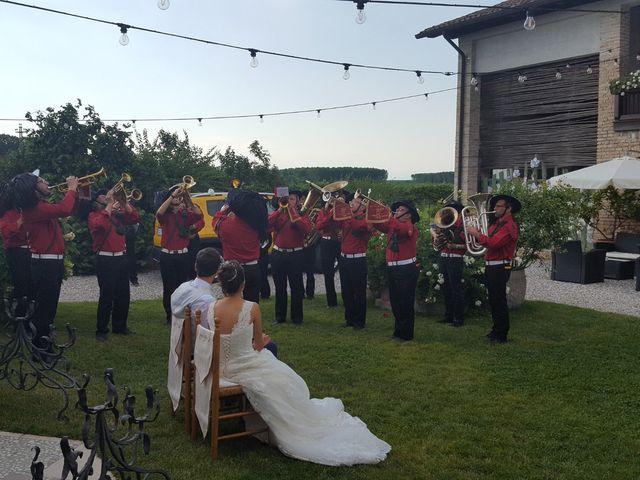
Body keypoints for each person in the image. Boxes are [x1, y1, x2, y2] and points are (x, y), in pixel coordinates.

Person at [206, 260, 390, 466]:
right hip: (243, 366)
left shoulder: (211, 307)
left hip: (220, 367)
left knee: (280, 377)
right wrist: (264, 340)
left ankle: (261, 417)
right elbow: (258, 345)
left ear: (222, 285)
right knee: (287, 379)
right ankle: (284, 424)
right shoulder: (251, 308)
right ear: (243, 284)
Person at [10, 171, 79, 347]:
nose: (47, 182)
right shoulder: (35, 209)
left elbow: (68, 208)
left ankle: (43, 342)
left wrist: (73, 192)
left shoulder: (39, 206)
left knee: (48, 307)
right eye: (41, 181)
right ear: (33, 190)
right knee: (45, 309)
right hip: (45, 263)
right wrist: (71, 189)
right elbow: (64, 209)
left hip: (50, 262)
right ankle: (41, 348)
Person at [171, 247, 277, 356]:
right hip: (203, 353)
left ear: (195, 266)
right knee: (270, 346)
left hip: (180, 347)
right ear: (217, 271)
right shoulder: (206, 301)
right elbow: (213, 337)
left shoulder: (182, 288)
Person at [465, 194, 520, 344]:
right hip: (492, 266)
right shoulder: (495, 225)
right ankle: (496, 330)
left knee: (499, 300)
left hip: (501, 266)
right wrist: (474, 231)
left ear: (509, 209)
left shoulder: (510, 226)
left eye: (499, 206)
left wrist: (477, 234)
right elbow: (484, 240)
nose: (494, 209)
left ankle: (501, 334)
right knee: (494, 300)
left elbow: (494, 243)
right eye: (495, 206)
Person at [87, 189, 140, 341]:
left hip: (121, 258)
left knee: (123, 294)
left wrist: (123, 201)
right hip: (105, 259)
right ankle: (101, 330)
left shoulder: (118, 215)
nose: (107, 197)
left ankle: (120, 326)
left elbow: (135, 217)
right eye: (103, 196)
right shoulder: (93, 216)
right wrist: (110, 205)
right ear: (96, 202)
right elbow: (101, 225)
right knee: (106, 295)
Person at [317, 194, 372, 329]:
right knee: (346, 291)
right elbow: (324, 224)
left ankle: (359, 322)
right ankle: (349, 319)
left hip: (358, 259)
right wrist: (333, 208)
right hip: (344, 258)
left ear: (363, 207)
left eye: (355, 202)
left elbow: (358, 227)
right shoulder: (346, 217)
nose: (351, 203)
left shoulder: (366, 220)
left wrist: (345, 211)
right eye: (351, 201)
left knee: (359, 292)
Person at [373, 199, 420, 342]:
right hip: (393, 267)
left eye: (400, 210)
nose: (397, 211)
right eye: (397, 209)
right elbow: (380, 226)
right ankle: (398, 330)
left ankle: (407, 334)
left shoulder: (409, 226)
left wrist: (388, 215)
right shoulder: (394, 225)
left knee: (405, 302)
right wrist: (374, 213)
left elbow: (399, 229)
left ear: (408, 214)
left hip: (406, 268)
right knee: (396, 301)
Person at [156, 184, 204, 324]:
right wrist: (172, 195)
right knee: (168, 287)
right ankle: (169, 316)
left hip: (183, 254)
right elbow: (159, 212)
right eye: (175, 197)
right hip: (167, 255)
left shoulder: (185, 215)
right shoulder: (165, 216)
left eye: (178, 197)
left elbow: (198, 215)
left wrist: (187, 198)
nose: (177, 198)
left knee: (182, 286)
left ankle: (181, 314)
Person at [213, 189, 268, 304]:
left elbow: (215, 220)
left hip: (231, 268)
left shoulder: (226, 224)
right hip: (253, 268)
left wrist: (228, 206)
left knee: (230, 302)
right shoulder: (258, 226)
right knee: (252, 303)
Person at [267, 190, 313, 325]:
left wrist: (294, 214)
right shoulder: (278, 214)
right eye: (287, 199)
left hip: (295, 254)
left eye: (292, 199)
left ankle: (297, 318)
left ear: (297, 201)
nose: (289, 202)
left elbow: (307, 230)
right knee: (280, 287)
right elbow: (267, 224)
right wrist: (279, 210)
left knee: (296, 287)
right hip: (278, 253)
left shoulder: (302, 215)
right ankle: (280, 317)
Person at [435, 201, 467, 327]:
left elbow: (469, 246)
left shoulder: (463, 226)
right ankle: (448, 316)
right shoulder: (445, 225)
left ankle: (458, 318)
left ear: (458, 212)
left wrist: (454, 245)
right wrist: (437, 238)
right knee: (446, 288)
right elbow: (439, 243)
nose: (448, 212)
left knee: (456, 289)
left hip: (455, 258)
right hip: (444, 257)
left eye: (452, 210)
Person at [0, 182, 31, 308]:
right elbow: (8, 232)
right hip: (16, 251)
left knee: (31, 285)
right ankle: (19, 314)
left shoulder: (20, 210)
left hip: (29, 250)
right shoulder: (6, 213)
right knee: (21, 285)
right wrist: (21, 219)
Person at [315, 195, 343, 308]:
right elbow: (320, 225)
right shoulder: (324, 211)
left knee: (345, 272)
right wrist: (331, 213)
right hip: (327, 242)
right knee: (328, 272)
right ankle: (331, 302)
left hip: (340, 242)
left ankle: (348, 298)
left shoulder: (344, 212)